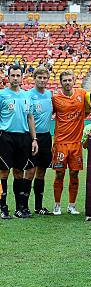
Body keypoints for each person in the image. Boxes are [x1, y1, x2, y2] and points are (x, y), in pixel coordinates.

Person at [0, 64, 38, 219]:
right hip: (5, 136)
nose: (15, 78)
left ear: (22, 77)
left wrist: (34, 139)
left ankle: (19, 208)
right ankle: (3, 208)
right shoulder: (2, 95)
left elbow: (30, 118)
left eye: (18, 75)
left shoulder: (26, 96)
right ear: (8, 77)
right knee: (3, 171)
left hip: (23, 137)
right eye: (12, 75)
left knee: (18, 172)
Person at [52, 70, 90, 215]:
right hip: (61, 143)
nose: (67, 82)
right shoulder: (55, 99)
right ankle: (57, 205)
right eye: (64, 80)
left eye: (70, 80)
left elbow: (88, 110)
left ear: (74, 80)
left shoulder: (82, 94)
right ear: (61, 82)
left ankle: (72, 205)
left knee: (74, 174)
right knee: (59, 174)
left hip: (76, 143)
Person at [27, 66, 53, 215]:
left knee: (42, 172)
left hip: (46, 137)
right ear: (34, 78)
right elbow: (28, 117)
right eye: (40, 77)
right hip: (32, 138)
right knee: (30, 171)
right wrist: (33, 138)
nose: (42, 80)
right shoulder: (29, 95)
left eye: (45, 78)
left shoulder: (49, 94)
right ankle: (23, 206)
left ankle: (38, 207)